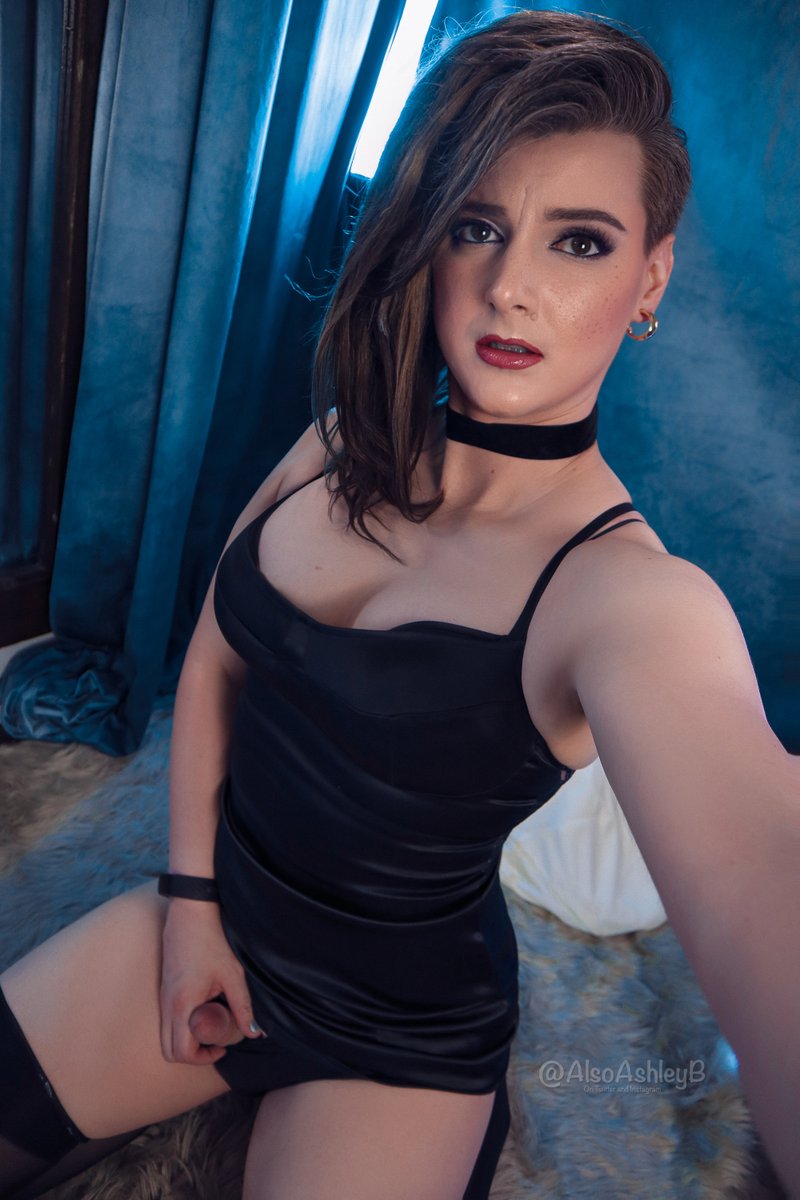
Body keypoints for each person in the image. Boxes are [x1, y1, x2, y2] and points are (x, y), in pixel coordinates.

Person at [1, 9, 797, 1199]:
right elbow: (214, 663)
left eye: (578, 242)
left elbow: (761, 872)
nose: (509, 287)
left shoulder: (635, 600)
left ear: (649, 277)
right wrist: (191, 903)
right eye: (476, 227)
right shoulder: (337, 443)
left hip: (401, 1025)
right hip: (221, 908)